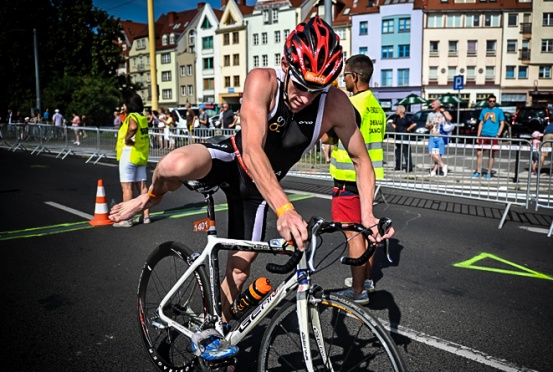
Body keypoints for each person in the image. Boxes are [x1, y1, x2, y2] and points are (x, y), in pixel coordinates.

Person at [109, 17, 393, 325]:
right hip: (232, 161)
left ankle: (215, 331)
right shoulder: (263, 80)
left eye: (317, 90)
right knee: (173, 165)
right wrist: (284, 208)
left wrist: (367, 214)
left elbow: (361, 160)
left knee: (240, 272)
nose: (305, 98)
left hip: (258, 190)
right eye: (301, 85)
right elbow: (253, 150)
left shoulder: (335, 103)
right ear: (286, 64)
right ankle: (149, 197)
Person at [326, 54, 385, 305]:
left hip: (348, 178)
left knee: (353, 236)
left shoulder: (351, 106)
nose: (344, 79)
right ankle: (367, 281)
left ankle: (358, 291)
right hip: (369, 180)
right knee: (365, 230)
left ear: (355, 77)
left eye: (346, 75)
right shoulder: (375, 105)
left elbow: (328, 139)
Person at [113, 93, 151, 227]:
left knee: (127, 188)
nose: (123, 106)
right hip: (140, 155)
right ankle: (146, 216)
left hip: (129, 154)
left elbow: (133, 128)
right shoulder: (142, 117)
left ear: (129, 104)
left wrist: (127, 138)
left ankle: (127, 219)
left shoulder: (132, 117)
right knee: (142, 187)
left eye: (124, 104)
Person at [472, 94, 505, 180]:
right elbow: (481, 123)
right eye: (490, 101)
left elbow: (502, 123)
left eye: (494, 101)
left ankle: (489, 172)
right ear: (488, 102)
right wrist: (478, 136)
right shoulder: (484, 110)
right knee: (479, 153)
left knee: (491, 154)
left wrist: (498, 134)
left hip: (493, 135)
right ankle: (478, 171)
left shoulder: (499, 111)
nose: (492, 103)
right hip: (483, 134)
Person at [425, 99, 452, 177]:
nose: (432, 106)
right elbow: (426, 125)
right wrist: (428, 126)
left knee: (437, 155)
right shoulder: (430, 114)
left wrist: (443, 111)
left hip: (440, 137)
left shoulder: (444, 113)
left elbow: (449, 118)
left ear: (438, 105)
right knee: (431, 153)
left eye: (433, 104)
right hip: (432, 136)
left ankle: (434, 171)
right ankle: (443, 166)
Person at [391, 105, 416, 172]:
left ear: (401, 111)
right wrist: (396, 127)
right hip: (398, 137)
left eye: (397, 110)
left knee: (406, 152)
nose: (396, 111)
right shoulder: (396, 117)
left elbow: (413, 124)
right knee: (398, 152)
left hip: (405, 137)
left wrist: (407, 130)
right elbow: (393, 123)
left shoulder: (406, 118)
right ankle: (398, 166)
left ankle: (409, 167)